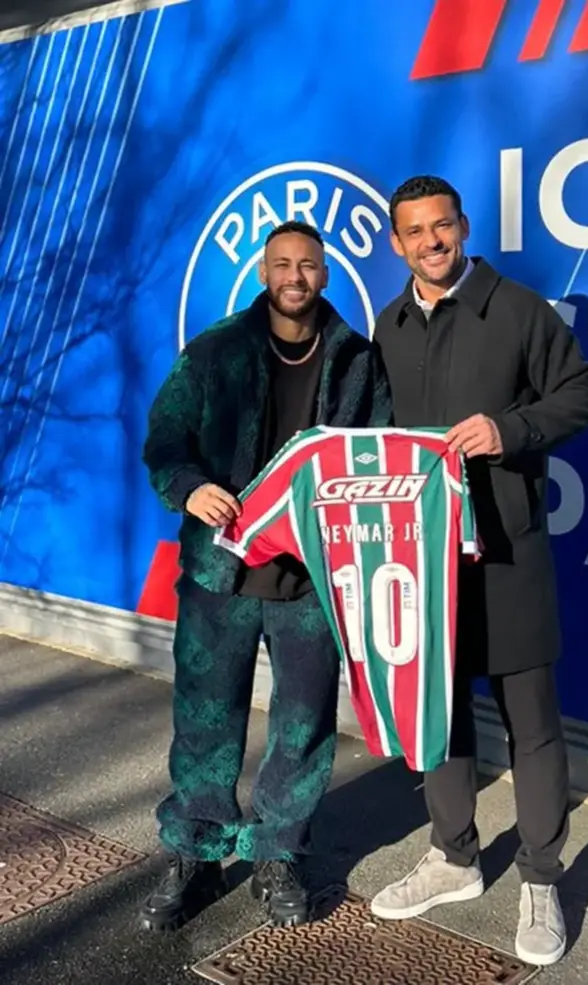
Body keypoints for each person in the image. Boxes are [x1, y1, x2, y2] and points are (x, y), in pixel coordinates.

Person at [368, 175, 588, 966]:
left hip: (507, 552)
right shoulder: (389, 323)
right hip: (422, 557)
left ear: (462, 227)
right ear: (396, 244)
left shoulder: (518, 308)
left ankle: (542, 876)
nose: (432, 242)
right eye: (416, 232)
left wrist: (510, 431)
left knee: (531, 721)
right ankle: (454, 855)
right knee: (439, 712)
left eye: (444, 226)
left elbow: (583, 395)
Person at [139, 219, 392, 932]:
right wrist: (188, 486)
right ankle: (196, 852)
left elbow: (375, 464)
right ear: (262, 272)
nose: (294, 276)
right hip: (220, 574)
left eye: (307, 265)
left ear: (325, 274)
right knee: (203, 723)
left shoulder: (358, 362)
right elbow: (165, 436)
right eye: (281, 263)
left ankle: (280, 851)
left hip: (311, 580)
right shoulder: (216, 351)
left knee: (303, 725)